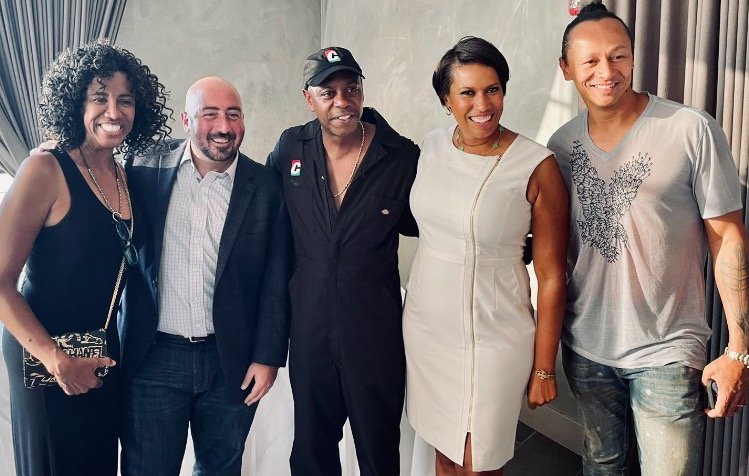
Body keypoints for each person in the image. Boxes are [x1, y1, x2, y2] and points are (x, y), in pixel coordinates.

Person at [548, 4, 749, 475]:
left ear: (634, 57)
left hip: (668, 351)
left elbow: (728, 237)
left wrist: (739, 348)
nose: (606, 71)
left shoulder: (690, 129)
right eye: (590, 60)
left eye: (618, 56)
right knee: (601, 467)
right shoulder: (560, 146)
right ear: (567, 69)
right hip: (586, 348)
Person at [0, 40, 170, 475]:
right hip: (46, 356)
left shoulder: (123, 174)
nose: (114, 112)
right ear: (75, 103)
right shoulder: (45, 169)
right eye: (99, 97)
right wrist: (56, 359)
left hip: (100, 351)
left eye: (125, 100)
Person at [402, 37, 569, 475]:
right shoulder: (432, 147)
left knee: (479, 463)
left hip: (495, 335)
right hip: (427, 330)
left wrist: (545, 368)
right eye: (468, 93)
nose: (483, 105)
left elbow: (553, 275)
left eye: (492, 89)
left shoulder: (536, 165)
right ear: (446, 100)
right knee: (443, 453)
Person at [119, 76, 293, 475]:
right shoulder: (142, 168)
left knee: (221, 469)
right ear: (186, 120)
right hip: (153, 358)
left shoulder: (267, 186)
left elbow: (276, 276)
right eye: (210, 114)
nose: (224, 127)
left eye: (233, 114)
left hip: (230, 361)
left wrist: (267, 356)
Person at [266, 46, 419, 475]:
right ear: (308, 98)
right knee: (311, 449)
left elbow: (436, 224)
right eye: (328, 92)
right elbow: (264, 220)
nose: (342, 101)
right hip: (309, 328)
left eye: (351, 89)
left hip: (374, 332)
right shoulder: (291, 147)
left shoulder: (400, 156)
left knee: (378, 448)